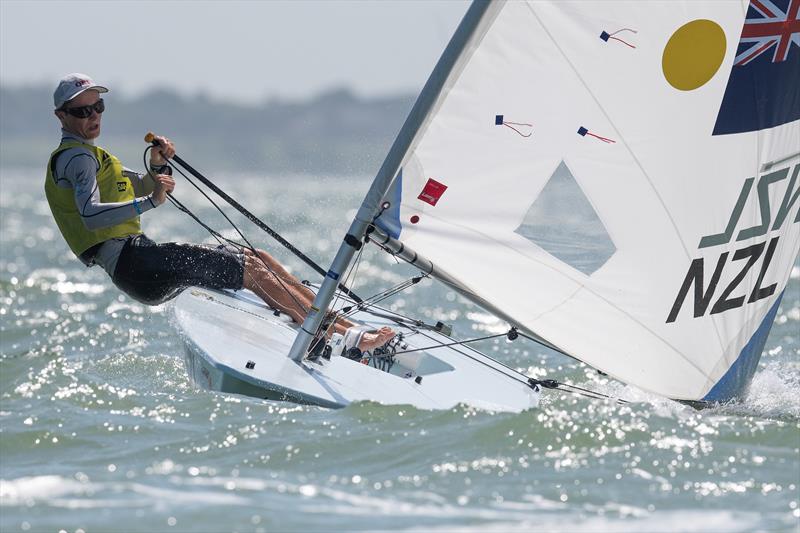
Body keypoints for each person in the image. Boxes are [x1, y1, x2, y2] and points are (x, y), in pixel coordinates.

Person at [45, 73, 393, 353]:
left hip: (139, 257)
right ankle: (343, 338)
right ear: (62, 116)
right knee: (249, 271)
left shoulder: (94, 155)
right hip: (132, 264)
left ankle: (341, 325)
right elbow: (90, 215)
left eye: (98, 107)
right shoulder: (77, 159)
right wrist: (150, 202)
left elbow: (139, 185)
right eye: (81, 111)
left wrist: (156, 165)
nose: (93, 117)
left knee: (257, 257)